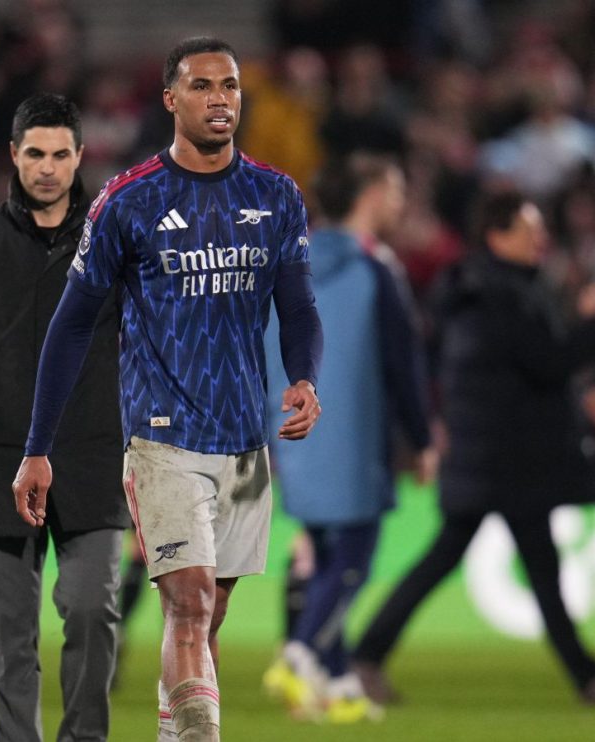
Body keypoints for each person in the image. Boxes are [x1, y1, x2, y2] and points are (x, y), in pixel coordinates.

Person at [13, 38, 325, 742]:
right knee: (186, 606)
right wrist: (39, 447)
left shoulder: (275, 196)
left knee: (207, 620)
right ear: (171, 99)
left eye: (232, 85)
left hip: (245, 444)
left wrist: (304, 375)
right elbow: (69, 329)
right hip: (162, 439)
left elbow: (299, 305)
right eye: (204, 85)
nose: (221, 98)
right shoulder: (129, 202)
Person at [0, 93, 130, 742]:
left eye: (60, 154)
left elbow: (150, 343)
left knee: (92, 607)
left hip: (94, 456)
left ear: (80, 156)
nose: (47, 167)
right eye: (34, 154)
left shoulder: (117, 240)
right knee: (8, 633)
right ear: (14, 155)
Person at [352, 190, 595, 706]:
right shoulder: (501, 296)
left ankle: (367, 657)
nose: (541, 238)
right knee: (537, 572)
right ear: (497, 235)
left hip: (486, 457)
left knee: (458, 562)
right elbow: (550, 362)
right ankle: (587, 678)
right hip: (507, 461)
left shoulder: (477, 292)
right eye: (529, 230)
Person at [260, 153, 434, 723]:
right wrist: (423, 437)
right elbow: (403, 363)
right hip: (357, 436)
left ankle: (338, 686)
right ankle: (302, 652)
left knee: (325, 553)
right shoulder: (374, 267)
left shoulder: (286, 262)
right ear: (368, 195)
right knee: (354, 556)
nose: (401, 202)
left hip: (294, 431)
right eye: (394, 188)